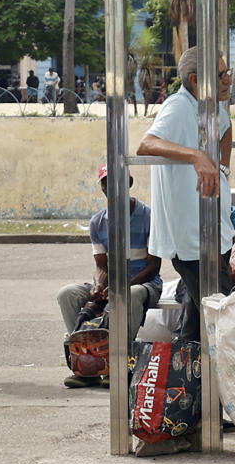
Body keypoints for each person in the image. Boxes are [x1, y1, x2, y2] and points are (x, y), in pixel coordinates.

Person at [135, 46, 234, 342]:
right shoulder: (178, 107)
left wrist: (224, 168)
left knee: (195, 317)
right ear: (195, 80)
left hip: (214, 229)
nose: (229, 80)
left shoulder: (211, 107)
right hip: (191, 239)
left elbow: (226, 130)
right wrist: (195, 156)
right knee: (223, 311)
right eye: (221, 75)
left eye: (228, 72)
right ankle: (208, 382)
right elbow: (146, 144)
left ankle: (183, 379)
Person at [59, 166, 163, 387]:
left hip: (144, 284)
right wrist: (98, 285)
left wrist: (121, 288)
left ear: (130, 183)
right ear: (103, 188)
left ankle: (119, 362)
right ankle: (86, 362)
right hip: (113, 287)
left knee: (130, 295)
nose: (112, 187)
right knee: (67, 294)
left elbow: (153, 267)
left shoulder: (149, 217)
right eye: (107, 183)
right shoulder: (98, 222)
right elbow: (101, 266)